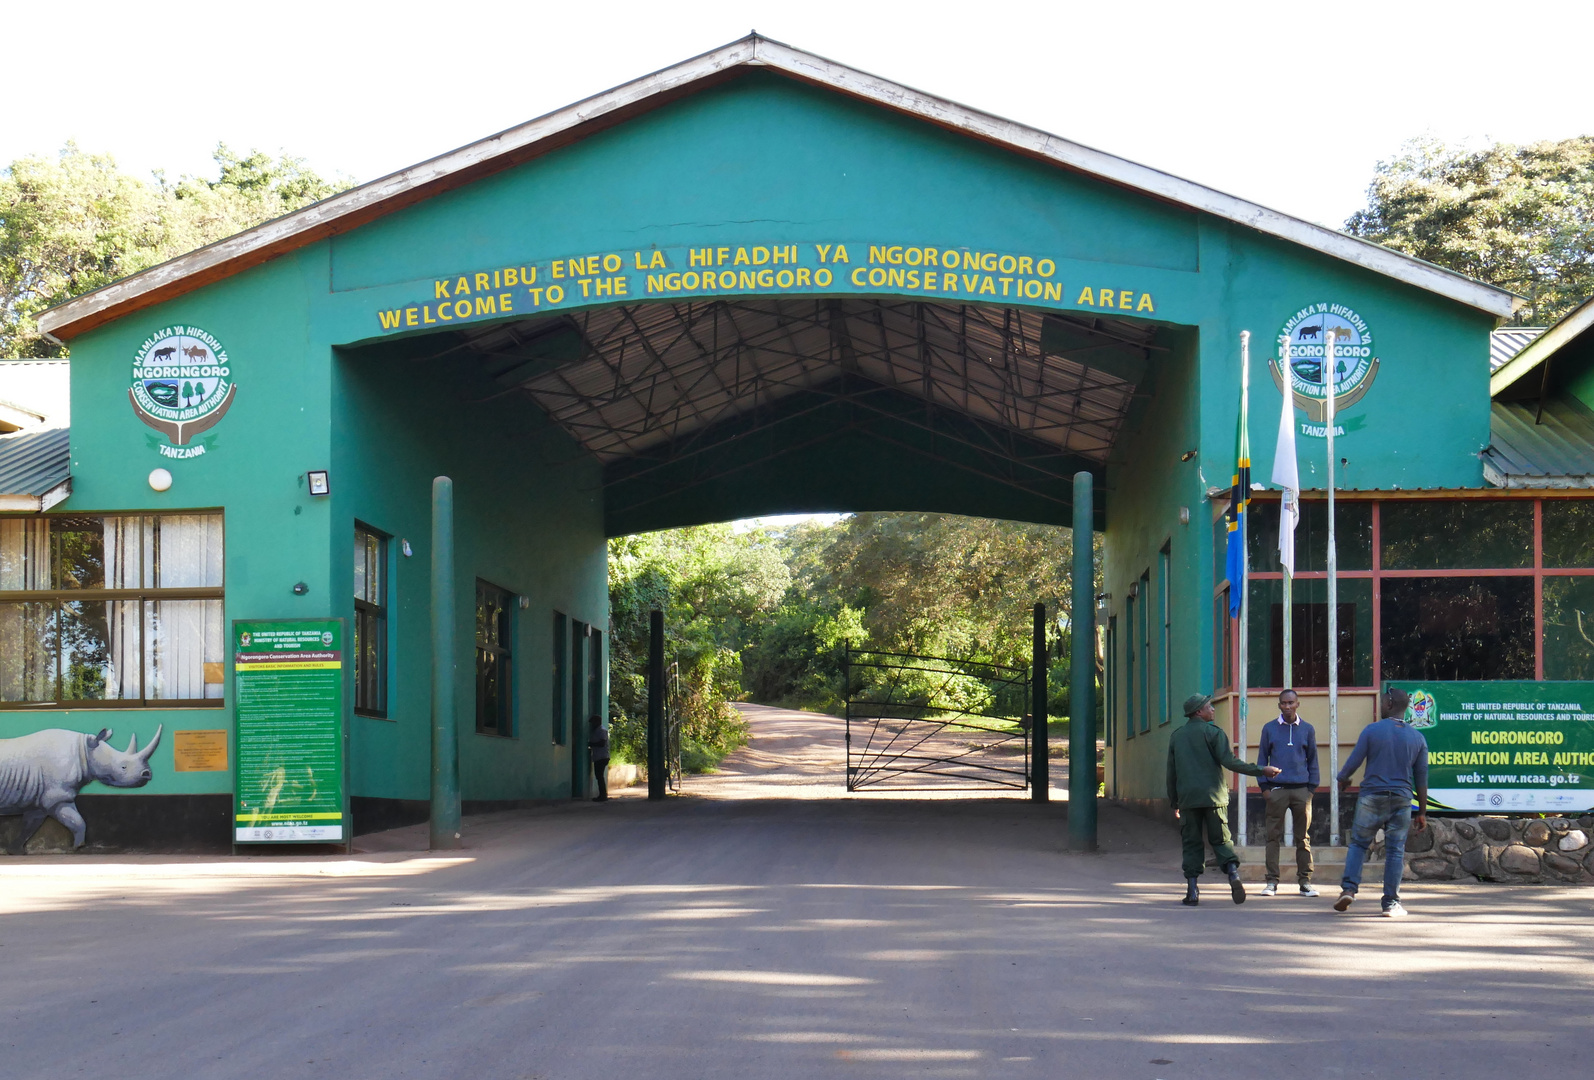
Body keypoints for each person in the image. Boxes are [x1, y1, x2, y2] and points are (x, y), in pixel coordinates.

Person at [1167, 692, 1282, 905]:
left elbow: (1171, 773)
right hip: (1214, 799)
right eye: (1209, 707)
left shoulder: (1177, 736)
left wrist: (1174, 802)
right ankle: (1233, 876)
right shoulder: (1214, 733)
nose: (1213, 709)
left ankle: (1192, 891)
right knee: (1221, 840)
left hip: (1188, 799)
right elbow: (1229, 762)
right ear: (1198, 712)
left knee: (1191, 843)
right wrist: (1261, 770)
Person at [1334, 688, 1429, 917]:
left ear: (1387, 704)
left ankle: (1349, 889)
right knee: (1395, 851)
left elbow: (1354, 762)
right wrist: (1422, 812)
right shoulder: (1418, 738)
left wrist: (1342, 779)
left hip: (1372, 796)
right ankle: (1390, 903)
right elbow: (1422, 777)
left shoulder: (1372, 731)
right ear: (1406, 708)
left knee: (1358, 844)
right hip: (1401, 798)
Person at [1257, 689, 1320, 897]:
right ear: (1279, 705)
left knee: (1303, 838)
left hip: (1302, 790)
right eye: (1283, 703)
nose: (1287, 706)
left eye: (1291, 703)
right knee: (1272, 837)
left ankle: (1305, 882)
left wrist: (1311, 789)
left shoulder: (1308, 729)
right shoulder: (1269, 729)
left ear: (1297, 704)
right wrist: (1265, 789)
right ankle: (1272, 882)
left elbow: (1313, 761)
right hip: (1277, 791)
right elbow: (1261, 761)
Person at [587, 715, 610, 802]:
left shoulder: (601, 730)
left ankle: (603, 795)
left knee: (599, 776)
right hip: (599, 756)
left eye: (593, 722)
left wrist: (591, 744)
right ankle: (602, 795)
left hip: (602, 756)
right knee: (599, 776)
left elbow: (602, 743)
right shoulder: (597, 730)